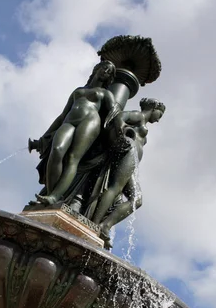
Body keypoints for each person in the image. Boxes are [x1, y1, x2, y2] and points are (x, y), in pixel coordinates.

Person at [34, 60, 117, 206]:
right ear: (97, 68)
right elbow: (62, 116)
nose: (106, 72)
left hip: (90, 121)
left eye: (109, 72)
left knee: (73, 158)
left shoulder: (106, 93)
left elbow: (114, 114)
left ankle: (54, 197)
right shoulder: (78, 91)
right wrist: (46, 135)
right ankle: (51, 192)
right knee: (57, 150)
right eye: (105, 68)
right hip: (69, 121)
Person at [90, 97, 165, 246]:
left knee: (137, 200)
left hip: (132, 161)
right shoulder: (138, 115)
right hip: (127, 153)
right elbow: (120, 116)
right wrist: (123, 128)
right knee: (115, 187)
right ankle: (95, 224)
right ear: (154, 108)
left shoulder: (143, 122)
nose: (158, 120)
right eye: (160, 115)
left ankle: (105, 225)